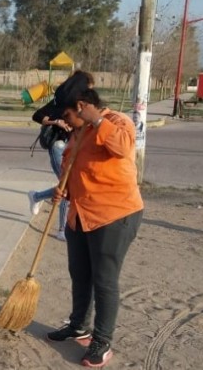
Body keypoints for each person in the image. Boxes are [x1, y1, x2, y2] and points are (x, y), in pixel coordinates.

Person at [46, 87, 144, 368]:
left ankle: (102, 341)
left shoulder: (116, 121)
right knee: (79, 272)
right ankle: (78, 325)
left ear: (81, 106)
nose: (64, 121)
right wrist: (62, 189)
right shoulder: (77, 133)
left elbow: (124, 148)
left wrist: (97, 121)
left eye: (66, 115)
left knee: (104, 280)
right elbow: (73, 168)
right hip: (80, 214)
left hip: (113, 215)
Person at [27, 71, 95, 241]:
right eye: (88, 88)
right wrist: (56, 121)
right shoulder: (63, 101)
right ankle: (62, 229)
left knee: (67, 185)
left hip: (70, 147)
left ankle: (37, 196)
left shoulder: (80, 105)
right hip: (58, 146)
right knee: (67, 186)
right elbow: (37, 115)